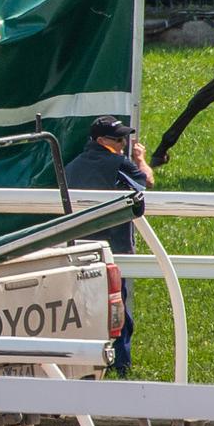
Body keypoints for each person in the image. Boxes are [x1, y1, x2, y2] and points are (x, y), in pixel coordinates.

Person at [64, 115, 155, 378]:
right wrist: (141, 160)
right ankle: (120, 364)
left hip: (80, 249)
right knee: (117, 310)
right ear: (101, 140)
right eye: (118, 139)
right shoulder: (119, 163)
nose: (123, 143)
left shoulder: (71, 167)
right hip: (114, 249)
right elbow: (148, 182)